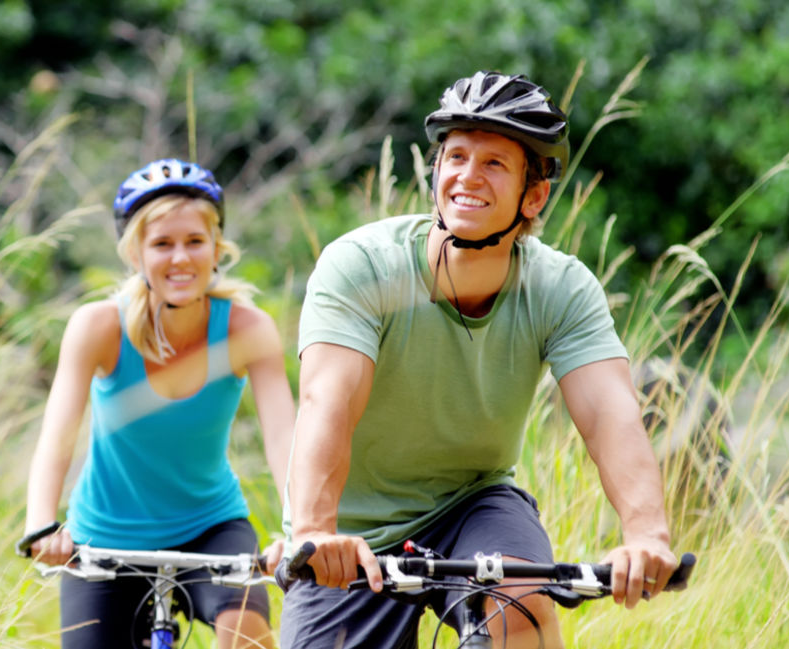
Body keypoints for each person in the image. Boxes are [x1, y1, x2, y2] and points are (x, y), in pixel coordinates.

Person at [280, 71, 679, 648]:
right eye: (457, 156)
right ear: (437, 170)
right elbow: (327, 402)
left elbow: (611, 413)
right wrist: (318, 532)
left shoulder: (559, 287)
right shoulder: (363, 266)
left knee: (522, 609)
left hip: (472, 501)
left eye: (494, 164)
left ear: (533, 195)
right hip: (351, 525)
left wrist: (646, 535)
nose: (468, 176)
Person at [20, 159, 295, 649]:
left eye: (194, 241)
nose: (180, 259)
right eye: (162, 244)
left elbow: (284, 437)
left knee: (247, 634)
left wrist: (300, 529)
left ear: (216, 248)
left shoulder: (247, 330)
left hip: (210, 528)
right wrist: (42, 523)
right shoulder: (98, 327)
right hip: (103, 536)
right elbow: (58, 435)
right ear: (136, 255)